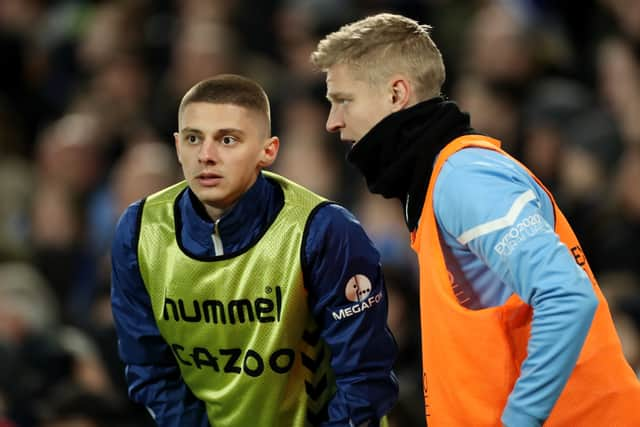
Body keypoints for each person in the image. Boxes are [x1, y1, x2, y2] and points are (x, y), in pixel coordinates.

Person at [311, 13, 640, 427]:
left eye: (344, 100)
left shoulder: (464, 177)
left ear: (396, 94)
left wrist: (519, 421)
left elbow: (567, 297)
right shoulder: (437, 186)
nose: (332, 122)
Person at [110, 74, 398, 426]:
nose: (206, 155)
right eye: (193, 138)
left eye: (227, 140)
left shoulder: (324, 231)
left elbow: (364, 378)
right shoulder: (140, 231)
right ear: (177, 146)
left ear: (268, 150)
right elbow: (150, 369)